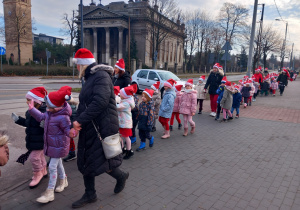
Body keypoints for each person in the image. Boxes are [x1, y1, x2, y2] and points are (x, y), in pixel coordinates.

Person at [71, 48, 127, 208]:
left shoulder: (100, 76)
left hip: (102, 127)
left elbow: (100, 102)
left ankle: (119, 177)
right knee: (90, 160)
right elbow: (84, 104)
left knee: (99, 159)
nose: (76, 68)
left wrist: (80, 121)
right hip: (91, 126)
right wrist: (74, 123)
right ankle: (91, 194)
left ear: (83, 64)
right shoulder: (90, 78)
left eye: (77, 64)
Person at [28, 86, 72, 203]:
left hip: (59, 146)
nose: (46, 107)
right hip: (52, 145)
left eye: (48, 105)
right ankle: (64, 180)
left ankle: (49, 192)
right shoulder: (49, 113)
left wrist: (73, 132)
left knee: (52, 166)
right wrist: (32, 109)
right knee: (58, 164)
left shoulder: (63, 118)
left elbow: (68, 131)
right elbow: (41, 117)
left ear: (55, 106)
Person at [11, 87, 47, 188]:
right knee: (40, 156)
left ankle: (37, 174)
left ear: (36, 101)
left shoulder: (44, 112)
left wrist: (45, 125)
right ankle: (43, 170)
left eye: (28, 100)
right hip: (32, 139)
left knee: (34, 158)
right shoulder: (30, 112)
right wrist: (18, 120)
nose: (26, 102)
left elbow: (50, 124)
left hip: (40, 140)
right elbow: (28, 124)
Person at [117, 85, 135, 160]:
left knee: (126, 138)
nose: (119, 95)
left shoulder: (126, 103)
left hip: (125, 123)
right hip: (122, 122)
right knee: (120, 136)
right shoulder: (126, 100)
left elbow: (117, 107)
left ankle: (129, 150)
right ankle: (122, 148)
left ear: (124, 96)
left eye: (121, 94)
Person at [63, 98, 78, 162]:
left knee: (69, 141)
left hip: (69, 128)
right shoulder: (66, 107)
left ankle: (72, 153)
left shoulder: (70, 108)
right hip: (67, 127)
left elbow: (73, 119)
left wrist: (71, 128)